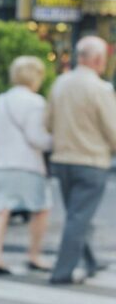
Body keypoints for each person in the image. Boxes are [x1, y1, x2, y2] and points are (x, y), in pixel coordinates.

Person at [45, 35, 116, 284]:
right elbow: (113, 129)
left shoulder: (60, 84)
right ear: (97, 60)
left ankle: (92, 260)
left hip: (62, 160)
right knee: (79, 217)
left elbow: (48, 123)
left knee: (77, 214)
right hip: (91, 161)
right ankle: (62, 272)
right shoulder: (100, 88)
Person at [0, 56, 53, 276]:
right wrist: (54, 142)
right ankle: (34, 255)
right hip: (27, 165)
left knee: (0, 211)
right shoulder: (36, 102)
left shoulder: (0, 99)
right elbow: (37, 138)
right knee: (41, 208)